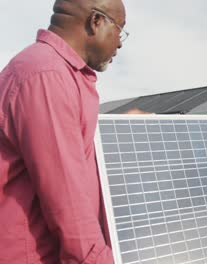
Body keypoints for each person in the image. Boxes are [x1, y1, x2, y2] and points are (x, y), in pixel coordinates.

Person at [0, 0, 127, 263]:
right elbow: (68, 205)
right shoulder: (47, 76)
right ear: (96, 21)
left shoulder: (54, 72)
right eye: (120, 30)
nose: (120, 43)